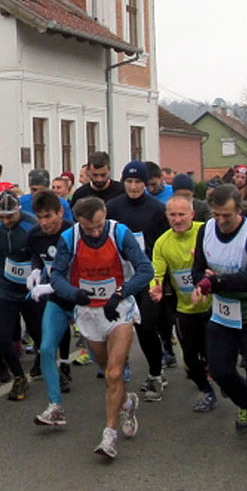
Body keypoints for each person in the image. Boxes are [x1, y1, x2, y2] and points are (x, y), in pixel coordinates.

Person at [48, 196, 153, 459]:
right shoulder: (70, 238)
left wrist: (121, 293)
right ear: (78, 222)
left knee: (115, 373)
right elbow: (56, 275)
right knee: (107, 372)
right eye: (88, 228)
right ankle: (126, 403)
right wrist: (73, 293)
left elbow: (145, 270)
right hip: (89, 313)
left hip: (118, 310)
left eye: (98, 226)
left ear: (105, 215)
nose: (95, 232)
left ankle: (109, 436)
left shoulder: (120, 233)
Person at [191, 184, 247, 452]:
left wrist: (216, 281)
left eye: (227, 215)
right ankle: (246, 403)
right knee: (220, 371)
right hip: (222, 314)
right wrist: (202, 282)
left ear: (239, 210)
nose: (221, 220)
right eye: (216, 214)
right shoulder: (206, 230)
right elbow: (197, 270)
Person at [105, 161, 171, 399]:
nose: (133, 187)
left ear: (145, 183)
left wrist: (163, 280)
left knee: (146, 326)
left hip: (148, 276)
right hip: (120, 275)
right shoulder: (112, 207)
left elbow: (165, 244)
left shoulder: (157, 209)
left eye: (138, 182)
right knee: (114, 325)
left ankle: (155, 374)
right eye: (129, 182)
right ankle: (117, 369)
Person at [149, 195, 217, 412]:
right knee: (189, 357)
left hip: (213, 306)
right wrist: (156, 287)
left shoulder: (205, 232)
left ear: (192, 215)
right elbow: (157, 273)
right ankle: (206, 390)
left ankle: (221, 376)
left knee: (214, 354)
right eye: (172, 215)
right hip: (184, 308)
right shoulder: (162, 243)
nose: (177, 220)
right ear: (166, 216)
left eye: (182, 215)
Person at [0, 192, 38, 400]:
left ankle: (42, 361)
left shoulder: (32, 225)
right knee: (2, 335)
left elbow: (39, 254)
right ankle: (19, 377)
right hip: (4, 286)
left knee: (38, 332)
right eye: (2, 217)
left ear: (19, 211)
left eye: (10, 216)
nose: (6, 221)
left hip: (30, 288)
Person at [27, 190, 75, 425]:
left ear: (60, 212)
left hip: (81, 298)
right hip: (57, 300)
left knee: (102, 359)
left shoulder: (74, 234)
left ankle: (123, 399)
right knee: (46, 349)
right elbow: (37, 256)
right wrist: (36, 269)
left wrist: (51, 286)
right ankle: (55, 406)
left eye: (48, 216)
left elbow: (78, 272)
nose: (44, 223)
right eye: (39, 217)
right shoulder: (35, 234)